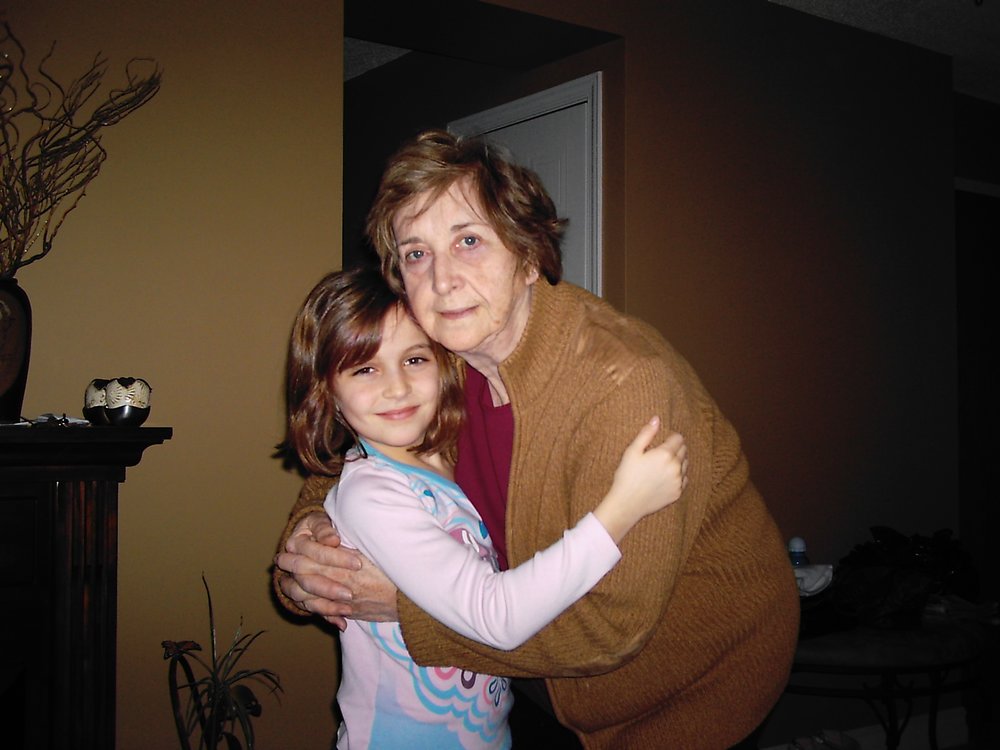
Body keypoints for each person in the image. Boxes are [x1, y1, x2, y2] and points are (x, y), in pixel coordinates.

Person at [274, 130, 800, 749]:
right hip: (518, 675)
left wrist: (399, 608)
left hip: (682, 685)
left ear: (528, 257)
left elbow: (608, 630)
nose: (442, 280)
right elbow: (350, 464)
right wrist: (310, 544)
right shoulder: (435, 357)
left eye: (468, 241)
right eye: (416, 254)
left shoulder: (624, 386)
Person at [284, 267, 687, 749]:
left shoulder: (437, 459)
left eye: (414, 359)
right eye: (365, 369)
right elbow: (498, 616)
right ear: (326, 390)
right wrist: (624, 507)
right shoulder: (371, 494)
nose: (396, 388)